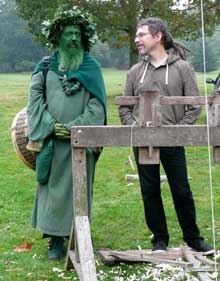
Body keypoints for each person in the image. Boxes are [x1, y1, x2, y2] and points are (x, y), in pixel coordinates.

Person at [118, 18, 213, 253]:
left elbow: (194, 105)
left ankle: (193, 239)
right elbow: (124, 107)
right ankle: (160, 240)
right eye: (137, 35)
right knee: (149, 191)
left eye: (142, 35)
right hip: (143, 142)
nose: (136, 39)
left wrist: (178, 131)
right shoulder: (134, 72)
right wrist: (135, 128)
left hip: (173, 141)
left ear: (157, 37)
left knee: (181, 190)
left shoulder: (182, 68)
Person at [26, 6, 107, 260]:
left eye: (77, 34)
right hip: (52, 141)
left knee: (78, 189)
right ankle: (55, 240)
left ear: (84, 38)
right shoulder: (46, 65)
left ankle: (78, 235)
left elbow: (98, 103)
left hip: (80, 142)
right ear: (58, 37)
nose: (73, 38)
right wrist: (51, 125)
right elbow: (35, 97)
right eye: (68, 33)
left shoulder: (91, 67)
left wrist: (75, 128)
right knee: (50, 189)